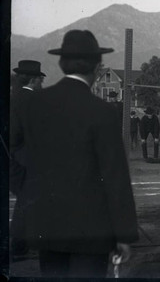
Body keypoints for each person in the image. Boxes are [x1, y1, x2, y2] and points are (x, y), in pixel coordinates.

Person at [10, 30, 138, 277]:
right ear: (97, 67)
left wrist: (25, 188)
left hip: (47, 225)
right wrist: (124, 235)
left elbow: (9, 150)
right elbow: (115, 178)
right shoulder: (102, 112)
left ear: (61, 63)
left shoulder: (34, 105)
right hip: (90, 230)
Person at [10, 60, 46, 259]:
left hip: (20, 156)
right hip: (30, 157)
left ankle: (25, 242)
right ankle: (19, 245)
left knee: (29, 200)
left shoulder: (16, 97)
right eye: (40, 79)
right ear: (33, 80)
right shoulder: (33, 100)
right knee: (28, 201)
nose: (42, 82)